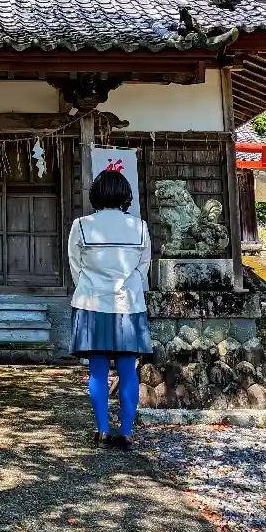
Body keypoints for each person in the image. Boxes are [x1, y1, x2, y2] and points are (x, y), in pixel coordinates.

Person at [68, 168, 153, 450]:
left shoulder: (81, 225)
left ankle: (103, 431)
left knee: (97, 371)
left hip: (91, 304)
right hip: (129, 306)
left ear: (95, 195)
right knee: (128, 370)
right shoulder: (140, 227)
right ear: (125, 195)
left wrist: (90, 286)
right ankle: (126, 432)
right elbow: (142, 269)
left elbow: (75, 267)